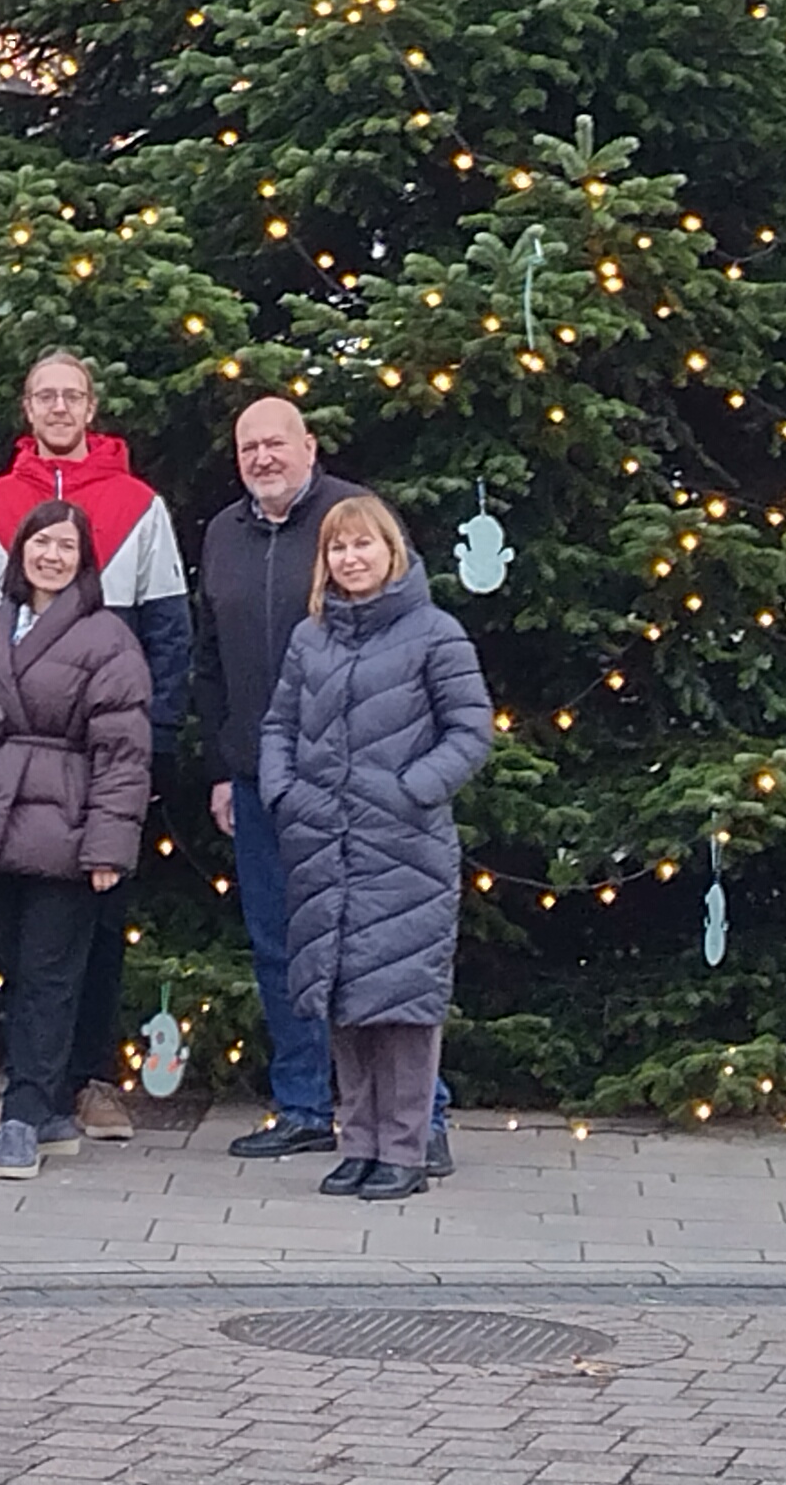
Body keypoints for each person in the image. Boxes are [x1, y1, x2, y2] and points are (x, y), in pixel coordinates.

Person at [0, 351, 189, 1140]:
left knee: (98, 926)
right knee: (24, 940)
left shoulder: (139, 504)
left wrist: (148, 755)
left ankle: (89, 1079)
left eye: (72, 396)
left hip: (105, 765)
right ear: (26, 407)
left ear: (92, 407)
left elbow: (169, 632)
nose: (58, 407)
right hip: (16, 775)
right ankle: (31, 1088)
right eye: (44, 395)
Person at [260, 490, 493, 1199]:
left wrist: (411, 790)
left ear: (392, 552)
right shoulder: (312, 637)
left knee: (403, 1007)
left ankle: (406, 1149)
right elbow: (278, 725)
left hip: (405, 850)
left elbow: (470, 729)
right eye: (337, 547)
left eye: (363, 544)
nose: (350, 558)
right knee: (342, 1002)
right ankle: (357, 1143)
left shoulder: (434, 632)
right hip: (322, 846)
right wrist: (284, 792)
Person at [0, 499, 154, 1180]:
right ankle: (54, 1110)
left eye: (66, 546)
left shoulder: (108, 638)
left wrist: (106, 848)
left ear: (84, 559)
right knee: (16, 964)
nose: (52, 556)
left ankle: (26, 1112)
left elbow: (124, 754)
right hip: (2, 821)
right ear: (20, 550)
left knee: (50, 975)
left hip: (67, 821)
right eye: (41, 543)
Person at [192, 397, 338, 1150]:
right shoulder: (223, 533)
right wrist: (222, 768)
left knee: (364, 943)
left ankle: (412, 1115)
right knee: (279, 944)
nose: (262, 458)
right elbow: (209, 661)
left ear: (308, 447)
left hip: (347, 777)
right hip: (256, 779)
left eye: (275, 443)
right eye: (249, 447)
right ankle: (306, 1108)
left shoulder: (352, 519)